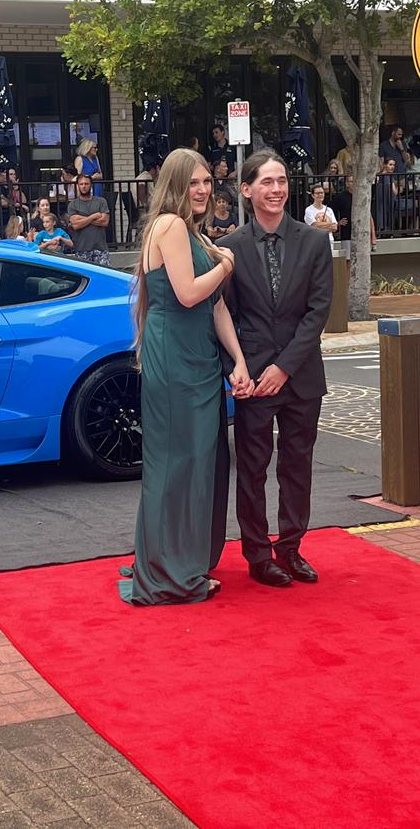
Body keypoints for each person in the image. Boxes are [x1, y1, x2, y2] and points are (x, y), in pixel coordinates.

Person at [118, 147, 252, 606]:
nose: (202, 190)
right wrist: (226, 264)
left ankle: (181, 561)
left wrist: (238, 360)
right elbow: (189, 293)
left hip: (197, 359)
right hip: (174, 359)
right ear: (175, 185)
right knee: (177, 464)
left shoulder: (190, 231)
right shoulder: (171, 226)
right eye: (193, 183)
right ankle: (168, 572)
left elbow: (216, 307)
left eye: (206, 183)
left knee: (198, 463)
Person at [217, 149, 332, 587]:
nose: (277, 189)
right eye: (266, 182)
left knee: (297, 466)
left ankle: (292, 548)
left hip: (300, 377)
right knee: (252, 468)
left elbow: (317, 312)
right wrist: (238, 370)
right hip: (253, 380)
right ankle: (258, 555)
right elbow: (223, 315)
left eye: (282, 181)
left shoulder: (314, 242)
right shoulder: (228, 249)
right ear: (247, 190)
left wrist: (283, 368)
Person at [332, 174, 377, 269]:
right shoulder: (340, 197)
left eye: (354, 181)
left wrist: (373, 237)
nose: (353, 184)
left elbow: (369, 216)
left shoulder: (362, 196)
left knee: (361, 260)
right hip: (347, 232)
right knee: (348, 261)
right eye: (350, 181)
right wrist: (338, 223)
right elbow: (330, 212)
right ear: (347, 183)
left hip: (362, 233)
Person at [66, 174, 110, 265]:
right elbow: (75, 225)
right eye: (81, 184)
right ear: (77, 186)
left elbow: (105, 222)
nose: (84, 186)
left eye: (86, 184)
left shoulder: (101, 201)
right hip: (82, 249)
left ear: (91, 185)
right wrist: (94, 216)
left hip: (100, 248)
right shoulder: (73, 205)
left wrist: (81, 218)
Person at [304, 184, 338, 250]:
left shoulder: (329, 210)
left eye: (322, 193)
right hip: (315, 242)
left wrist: (320, 227)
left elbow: (335, 227)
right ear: (313, 195)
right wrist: (329, 224)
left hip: (329, 241)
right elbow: (314, 225)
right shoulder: (309, 210)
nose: (320, 195)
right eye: (317, 193)